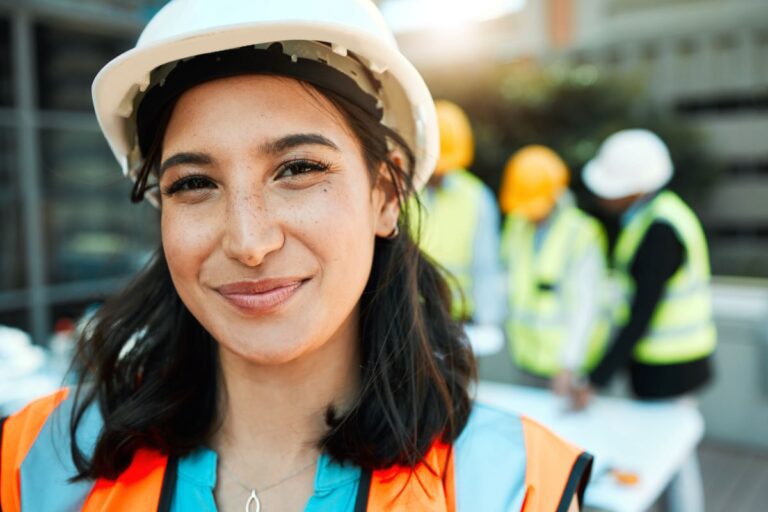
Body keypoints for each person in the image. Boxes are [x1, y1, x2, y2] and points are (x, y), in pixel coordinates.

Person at [0, 1, 592, 511]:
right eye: (193, 184)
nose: (248, 242)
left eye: (299, 169)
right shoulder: (37, 459)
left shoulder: (516, 485)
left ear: (385, 195)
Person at [573, 128, 715, 512]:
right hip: (669, 365)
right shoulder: (655, 217)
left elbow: (639, 317)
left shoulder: (659, 231)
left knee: (671, 459)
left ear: (634, 188)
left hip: (670, 368)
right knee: (669, 456)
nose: (603, 195)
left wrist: (596, 380)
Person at [499, 145, 609, 393]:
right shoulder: (516, 225)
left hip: (567, 368)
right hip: (526, 359)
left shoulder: (581, 233)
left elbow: (586, 305)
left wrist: (569, 364)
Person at [410, 100, 504, 327]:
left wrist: (487, 321)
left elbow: (486, 265)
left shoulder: (477, 197)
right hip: (407, 314)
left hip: (460, 318)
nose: (438, 172)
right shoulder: (401, 192)